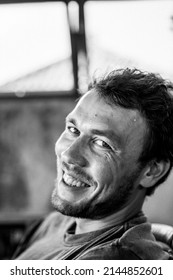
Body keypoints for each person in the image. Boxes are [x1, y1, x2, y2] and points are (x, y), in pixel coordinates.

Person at [15, 68, 173, 260]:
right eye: (73, 129)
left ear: (152, 171)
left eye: (101, 144)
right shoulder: (57, 223)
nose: (69, 155)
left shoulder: (115, 263)